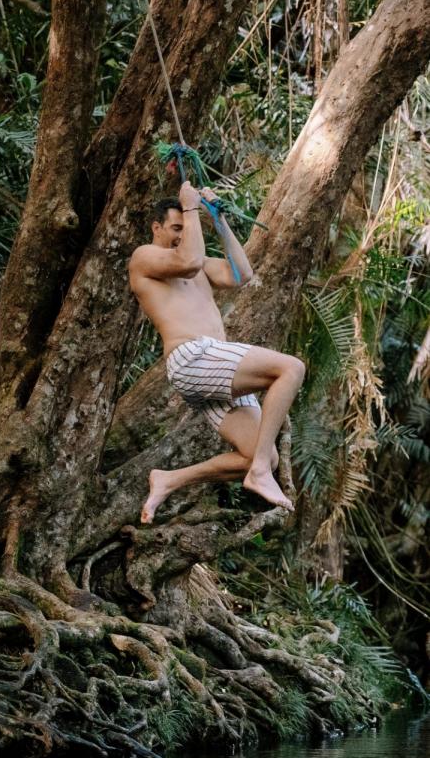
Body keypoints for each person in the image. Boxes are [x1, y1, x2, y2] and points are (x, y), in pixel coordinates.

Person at [128, 180, 305, 523]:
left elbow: (242, 273)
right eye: (175, 227)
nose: (181, 234)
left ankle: (169, 479)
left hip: (214, 365)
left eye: (185, 228)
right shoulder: (145, 257)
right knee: (291, 368)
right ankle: (258, 473)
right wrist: (190, 205)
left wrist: (217, 218)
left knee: (265, 456)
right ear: (157, 227)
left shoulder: (198, 263)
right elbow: (189, 261)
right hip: (192, 357)